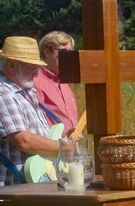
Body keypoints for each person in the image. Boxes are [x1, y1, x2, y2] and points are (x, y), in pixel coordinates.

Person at [0, 36, 63, 186]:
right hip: (11, 188)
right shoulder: (3, 92)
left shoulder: (26, 90)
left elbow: (38, 134)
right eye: (32, 68)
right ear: (12, 66)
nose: (37, 74)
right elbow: (24, 141)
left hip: (29, 185)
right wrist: (63, 148)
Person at [33, 31, 78, 133]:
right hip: (51, 141)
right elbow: (37, 121)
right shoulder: (35, 81)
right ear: (47, 52)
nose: (69, 56)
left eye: (71, 52)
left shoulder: (65, 80)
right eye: (64, 52)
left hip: (73, 141)